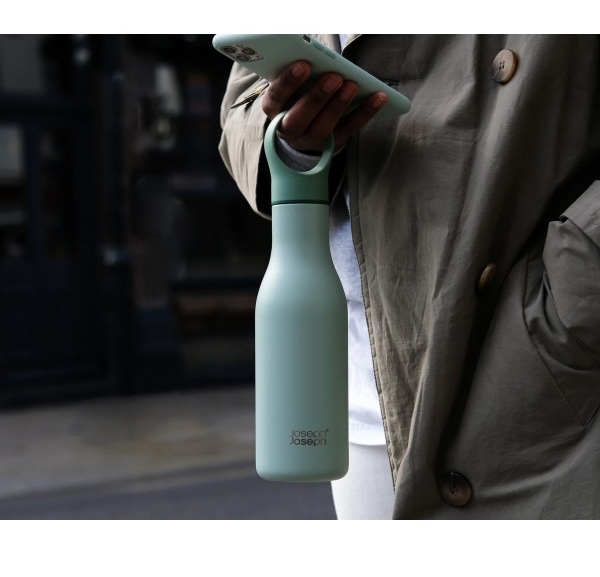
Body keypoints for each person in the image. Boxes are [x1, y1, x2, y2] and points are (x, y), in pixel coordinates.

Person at [218, 34, 600, 519]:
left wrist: (579, 279)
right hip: (363, 380)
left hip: (539, 361)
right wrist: (291, 145)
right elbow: (244, 102)